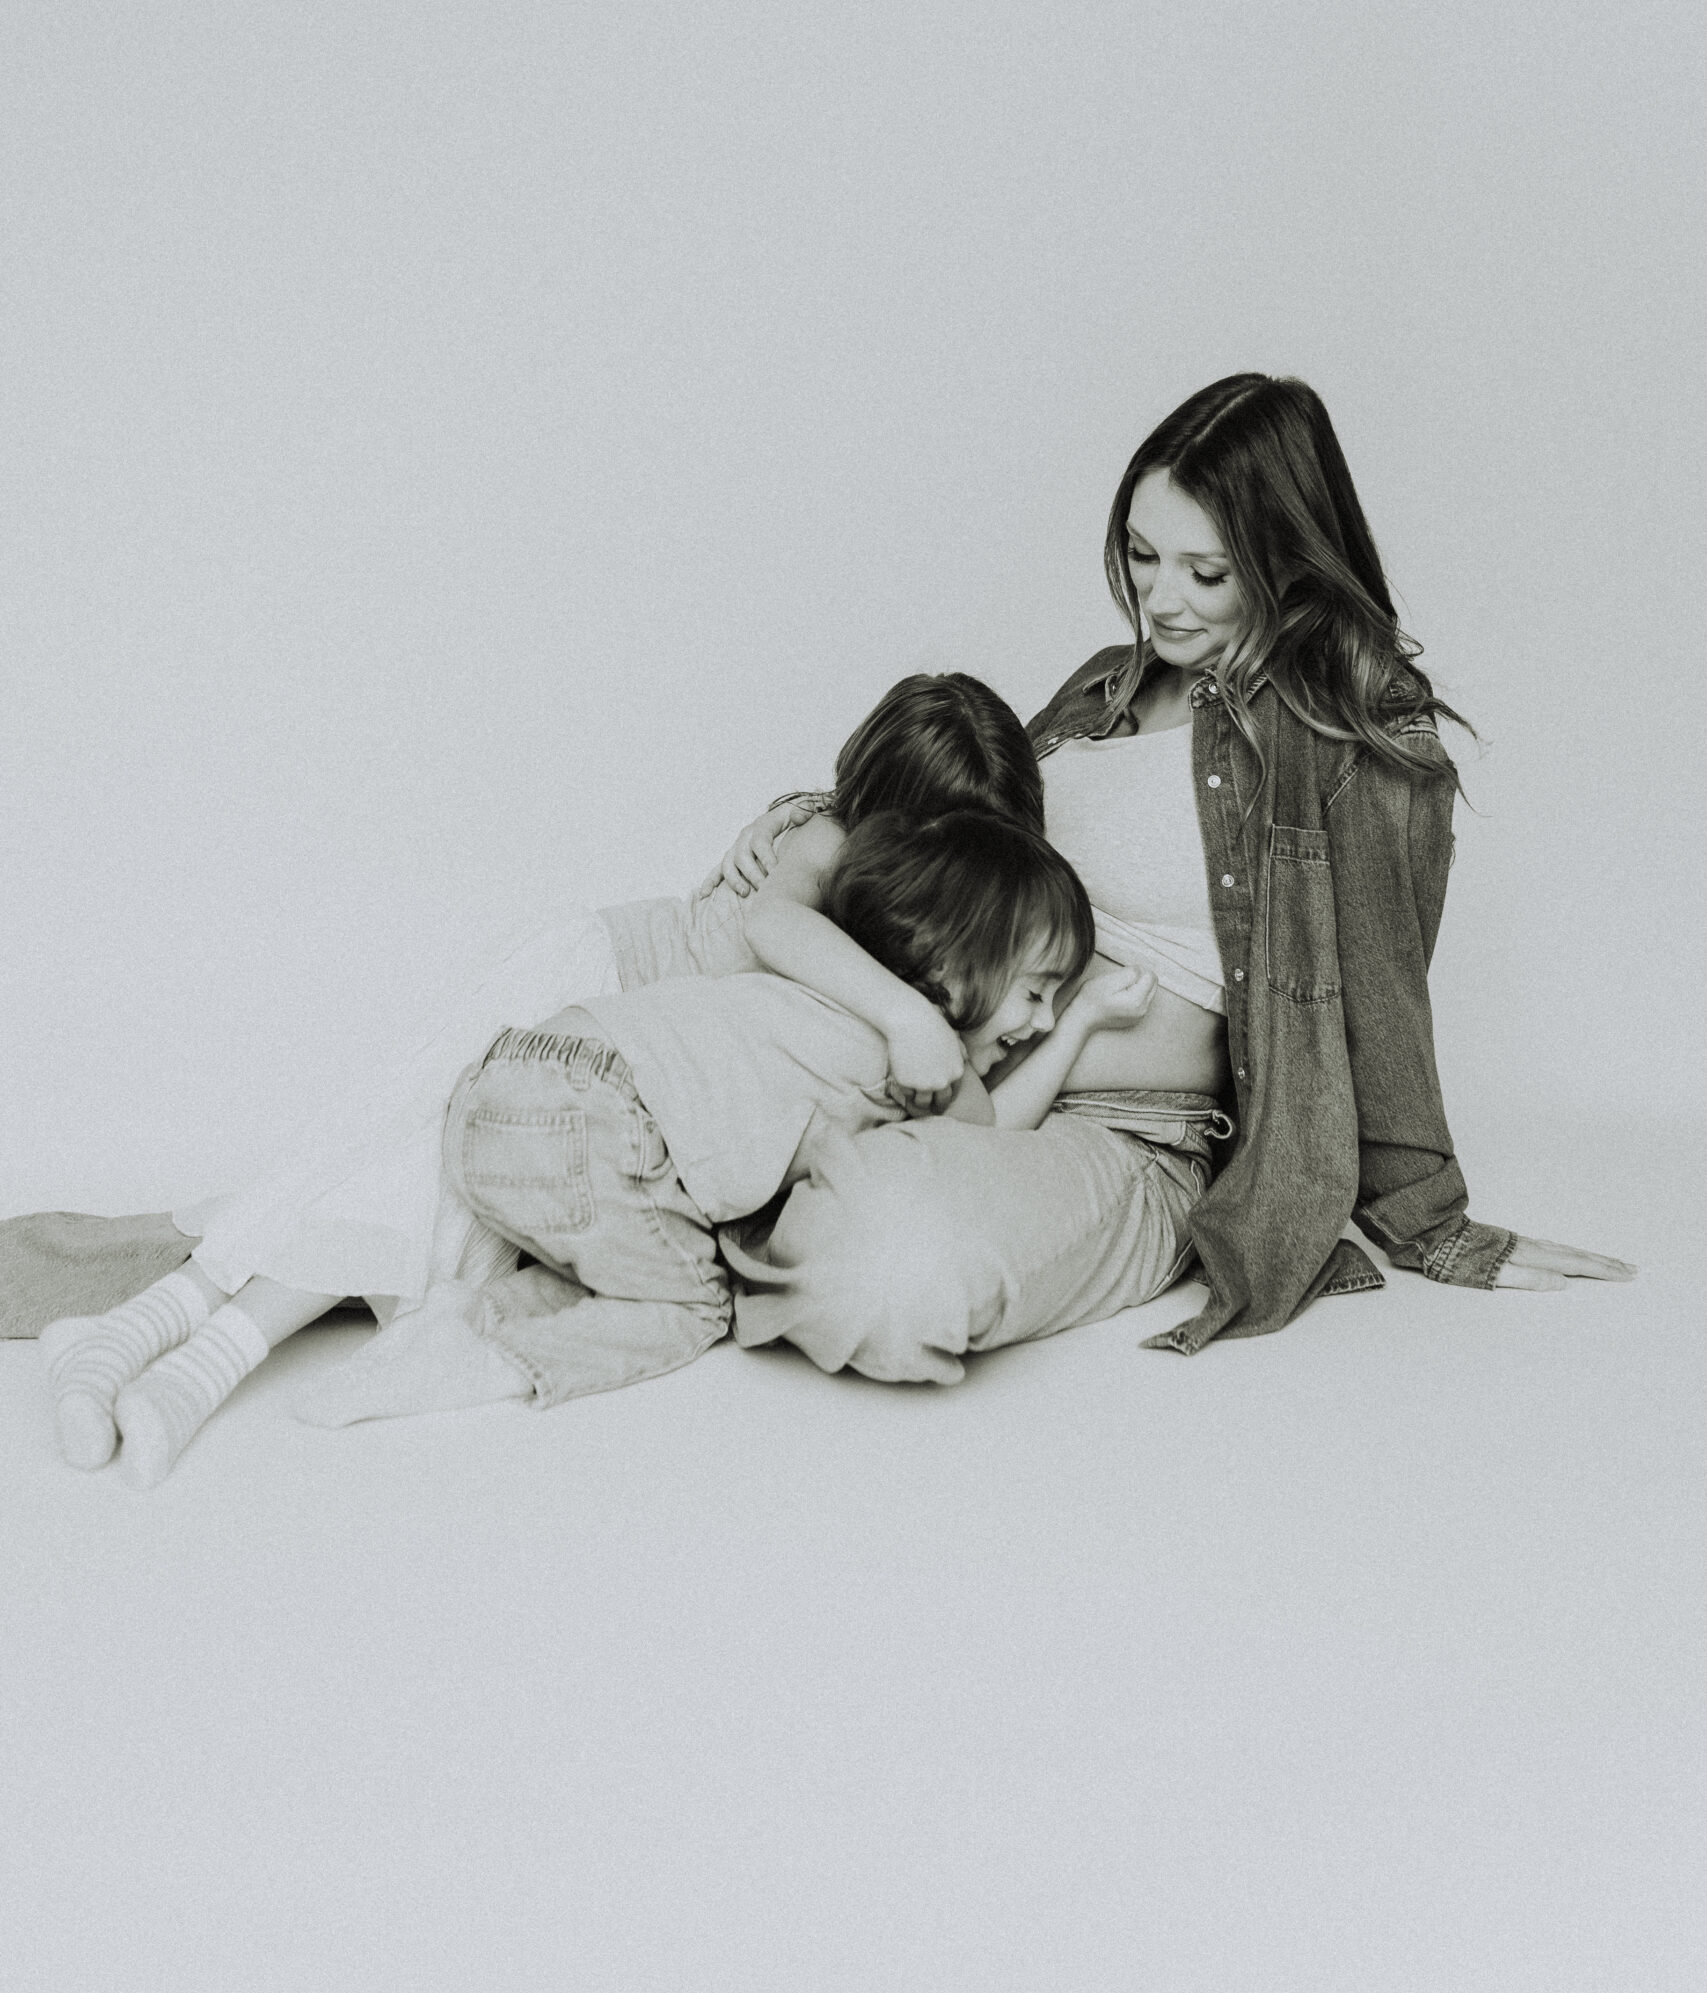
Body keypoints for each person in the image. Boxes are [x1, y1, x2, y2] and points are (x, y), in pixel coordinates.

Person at [706, 373, 1635, 1380]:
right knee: (675, 1002)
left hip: (1118, 1132)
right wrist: (814, 815)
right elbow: (954, 823)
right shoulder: (1106, 684)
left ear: (1288, 560)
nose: (1159, 598)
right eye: (1144, 557)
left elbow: (1379, 989)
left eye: (1207, 572)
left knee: (881, 1273)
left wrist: (1433, 1224)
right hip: (930, 1037)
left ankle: (762, 1211)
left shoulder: (1355, 741)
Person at [34, 676, 1151, 1478]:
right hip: (587, 985)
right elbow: (772, 923)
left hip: (608, 1072)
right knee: (366, 1158)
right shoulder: (821, 859)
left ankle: (149, 1345)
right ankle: (149, 1317)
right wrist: (915, 1015)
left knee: (404, 1208)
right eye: (953, 843)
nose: (964, 877)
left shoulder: (861, 911)